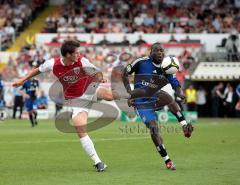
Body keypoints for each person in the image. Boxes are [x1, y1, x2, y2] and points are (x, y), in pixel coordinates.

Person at [13, 40, 117, 172]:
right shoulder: (52, 64)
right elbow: (37, 70)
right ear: (67, 54)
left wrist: (100, 77)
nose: (79, 55)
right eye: (76, 53)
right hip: (77, 100)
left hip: (90, 89)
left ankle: (136, 100)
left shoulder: (82, 61)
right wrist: (22, 80)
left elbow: (96, 71)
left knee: (110, 96)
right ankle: (98, 162)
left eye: (79, 52)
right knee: (80, 129)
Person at [122, 42, 193, 171]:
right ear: (151, 52)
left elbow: (175, 84)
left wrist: (180, 93)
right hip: (141, 101)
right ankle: (167, 160)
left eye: (162, 50)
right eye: (157, 50)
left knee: (170, 99)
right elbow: (124, 73)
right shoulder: (141, 62)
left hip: (155, 95)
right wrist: (129, 92)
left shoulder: (166, 66)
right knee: (154, 127)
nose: (160, 53)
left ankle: (184, 125)